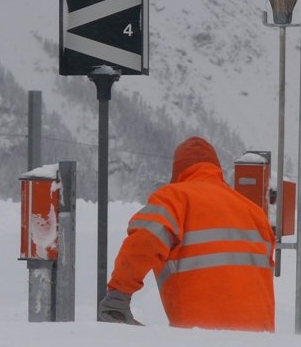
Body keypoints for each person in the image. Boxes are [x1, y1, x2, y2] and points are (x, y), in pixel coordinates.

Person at [98, 136, 276, 331]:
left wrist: (118, 296)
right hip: (260, 341)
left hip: (200, 339)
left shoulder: (174, 198)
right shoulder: (254, 211)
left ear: (177, 170)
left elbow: (143, 241)